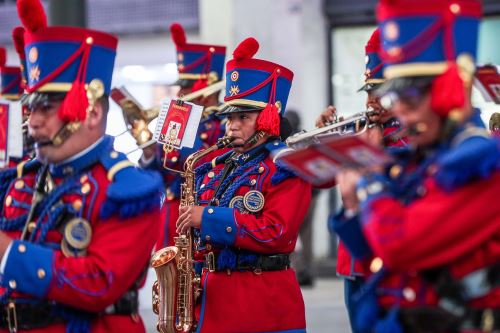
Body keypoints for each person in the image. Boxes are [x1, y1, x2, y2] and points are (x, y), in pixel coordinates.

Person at [333, 0, 500, 332]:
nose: (401, 112)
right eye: (396, 100)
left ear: (448, 92)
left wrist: (371, 184)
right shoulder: (422, 160)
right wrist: (352, 206)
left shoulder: (481, 164)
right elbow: (373, 254)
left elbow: (399, 246)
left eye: (410, 98)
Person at [0, 0, 164, 332]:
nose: (32, 122)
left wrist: (7, 253)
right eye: (31, 108)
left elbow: (98, 284)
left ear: (90, 113)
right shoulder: (23, 179)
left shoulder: (128, 190)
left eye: (46, 108)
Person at [175, 37, 311, 333]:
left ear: (267, 119)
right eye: (229, 118)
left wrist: (207, 217)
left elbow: (275, 232)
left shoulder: (286, 165)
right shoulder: (216, 164)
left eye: (243, 117)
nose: (232, 125)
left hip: (263, 306)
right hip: (212, 304)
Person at [139, 22, 227, 249]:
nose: (180, 94)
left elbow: (202, 166)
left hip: (199, 213)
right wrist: (148, 150)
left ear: (205, 88)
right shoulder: (180, 119)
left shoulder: (223, 125)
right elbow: (157, 174)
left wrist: (186, 124)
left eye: (186, 88)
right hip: (169, 213)